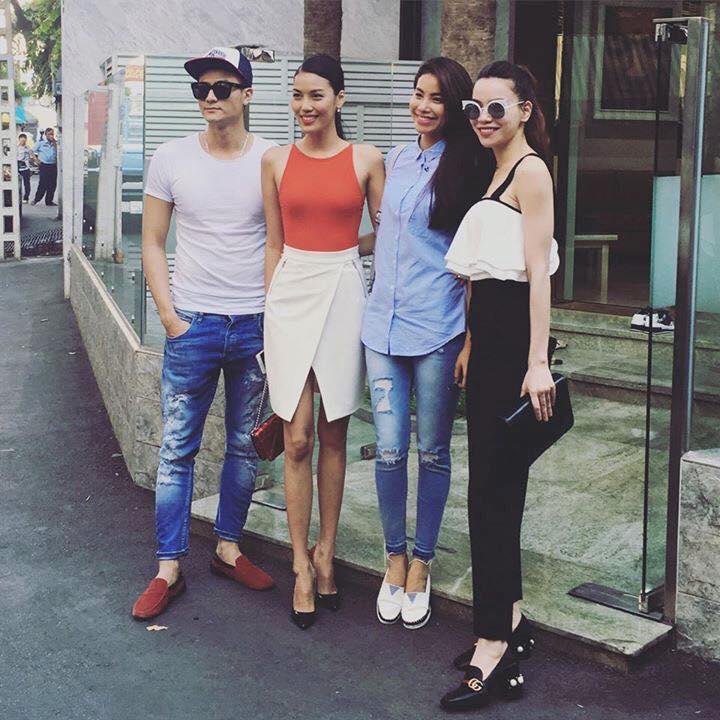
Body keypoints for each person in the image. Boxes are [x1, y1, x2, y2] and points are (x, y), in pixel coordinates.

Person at [132, 47, 276, 621]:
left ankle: (228, 548)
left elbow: (281, 241)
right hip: (193, 323)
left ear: (247, 93)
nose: (210, 97)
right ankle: (168, 566)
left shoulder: (271, 158)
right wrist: (170, 316)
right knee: (177, 450)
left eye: (222, 87)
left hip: (254, 326)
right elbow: (151, 241)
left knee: (244, 445)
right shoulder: (171, 157)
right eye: (201, 89)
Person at [440, 61, 560, 711]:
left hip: (515, 346)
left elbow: (538, 274)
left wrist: (536, 361)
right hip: (489, 345)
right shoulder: (496, 170)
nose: (483, 119)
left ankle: (493, 649)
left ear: (525, 109)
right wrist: (470, 343)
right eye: (474, 109)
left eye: (496, 108)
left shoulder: (531, 171)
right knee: (491, 490)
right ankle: (509, 621)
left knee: (491, 493)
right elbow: (485, 274)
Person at [361, 57, 488, 630]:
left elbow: (475, 262)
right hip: (381, 329)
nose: (423, 105)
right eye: (418, 94)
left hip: (438, 328)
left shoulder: (469, 167)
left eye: (436, 97)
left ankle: (422, 562)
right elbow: (385, 235)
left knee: (433, 451)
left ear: (454, 106)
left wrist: (471, 339)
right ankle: (394, 557)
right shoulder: (395, 158)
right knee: (389, 450)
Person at [262, 54, 385, 629]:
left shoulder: (366, 158)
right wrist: (271, 305)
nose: (305, 106)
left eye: (316, 95)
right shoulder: (274, 160)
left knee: (335, 431)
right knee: (297, 438)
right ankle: (299, 565)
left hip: (342, 291)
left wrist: (343, 254)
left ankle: (326, 553)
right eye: (297, 95)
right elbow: (273, 242)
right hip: (288, 294)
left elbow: (388, 231)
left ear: (339, 98)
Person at [31, 127, 58, 206]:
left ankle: (49, 201)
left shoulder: (55, 143)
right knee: (43, 183)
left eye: (52, 134)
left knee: (52, 184)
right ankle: (36, 199)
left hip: (53, 165)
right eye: (49, 134)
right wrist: (36, 160)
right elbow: (31, 151)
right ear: (46, 135)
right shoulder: (41, 143)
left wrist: (55, 143)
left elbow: (58, 152)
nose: (51, 136)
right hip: (44, 166)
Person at [17, 133, 34, 202]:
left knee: (27, 184)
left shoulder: (28, 148)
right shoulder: (16, 148)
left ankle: (26, 197)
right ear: (19, 140)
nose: (23, 142)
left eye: (24, 141)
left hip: (26, 168)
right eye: (21, 140)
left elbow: (32, 157)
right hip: (17, 168)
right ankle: (17, 197)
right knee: (17, 184)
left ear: (26, 140)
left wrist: (34, 163)